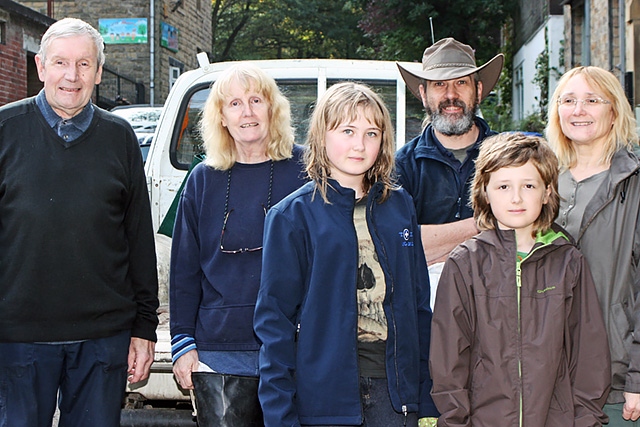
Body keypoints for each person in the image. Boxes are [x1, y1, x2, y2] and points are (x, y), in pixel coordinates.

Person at [0, 18, 159, 427]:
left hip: (102, 339)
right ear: (41, 67)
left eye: (84, 64)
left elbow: (138, 238)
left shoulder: (120, 137)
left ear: (99, 72)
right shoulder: (5, 130)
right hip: (16, 338)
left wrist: (144, 327)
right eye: (61, 63)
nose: (72, 76)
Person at [253, 82, 439, 427]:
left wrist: (426, 401)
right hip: (325, 397)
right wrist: (280, 415)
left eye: (372, 133)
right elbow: (273, 324)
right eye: (348, 130)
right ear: (322, 135)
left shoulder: (400, 207)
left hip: (395, 395)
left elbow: (418, 307)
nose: (360, 144)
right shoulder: (291, 216)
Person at [430, 132, 611, 426]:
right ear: (485, 192)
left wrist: (585, 419)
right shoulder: (465, 263)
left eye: (528, 185)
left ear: (547, 192)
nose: (516, 198)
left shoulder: (568, 261)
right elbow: (448, 358)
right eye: (503, 186)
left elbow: (589, 354)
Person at [169, 63, 307, 425]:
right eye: (234, 104)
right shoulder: (202, 179)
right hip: (220, 351)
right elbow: (184, 269)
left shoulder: (306, 170)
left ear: (272, 108)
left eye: (255, 100)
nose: (246, 112)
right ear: (221, 117)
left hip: (294, 347)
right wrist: (183, 342)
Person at [546, 65, 640, 426]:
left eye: (591, 100)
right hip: (547, 376)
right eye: (568, 100)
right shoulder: (539, 180)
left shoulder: (632, 183)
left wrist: (637, 377)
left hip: (613, 381)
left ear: (614, 109)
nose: (578, 110)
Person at [395, 38, 504, 307]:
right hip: (426, 317)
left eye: (461, 83)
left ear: (478, 91)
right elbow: (400, 244)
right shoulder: (402, 166)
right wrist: (486, 224)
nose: (451, 95)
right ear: (423, 93)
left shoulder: (508, 157)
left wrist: (434, 242)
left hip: (497, 312)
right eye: (439, 85)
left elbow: (526, 236)